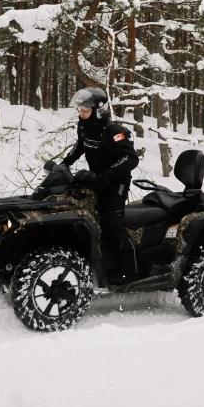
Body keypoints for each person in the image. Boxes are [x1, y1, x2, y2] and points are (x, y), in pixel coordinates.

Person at [62, 86, 139, 283]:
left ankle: (130, 270)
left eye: (85, 110)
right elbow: (80, 146)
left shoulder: (113, 131)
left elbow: (131, 159)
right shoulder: (84, 125)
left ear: (98, 110)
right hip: (97, 179)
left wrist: (105, 176)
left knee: (112, 222)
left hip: (117, 182)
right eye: (79, 110)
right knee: (89, 217)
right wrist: (64, 164)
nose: (81, 113)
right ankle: (104, 261)